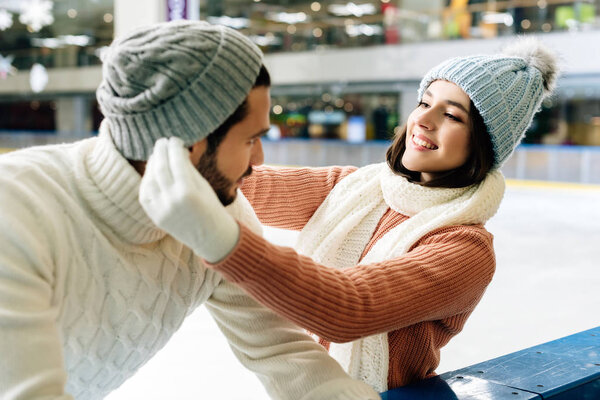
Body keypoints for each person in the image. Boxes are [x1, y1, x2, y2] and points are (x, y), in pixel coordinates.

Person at [139, 37, 559, 392]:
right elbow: (247, 182)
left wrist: (221, 241)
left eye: (451, 115)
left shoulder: (463, 249)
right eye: (424, 102)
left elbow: (349, 308)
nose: (423, 120)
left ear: (484, 144)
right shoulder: (354, 187)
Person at [0, 21, 381, 400]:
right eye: (251, 140)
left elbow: (284, 352)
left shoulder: (211, 213)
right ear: (188, 145)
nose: (260, 160)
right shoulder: (16, 211)